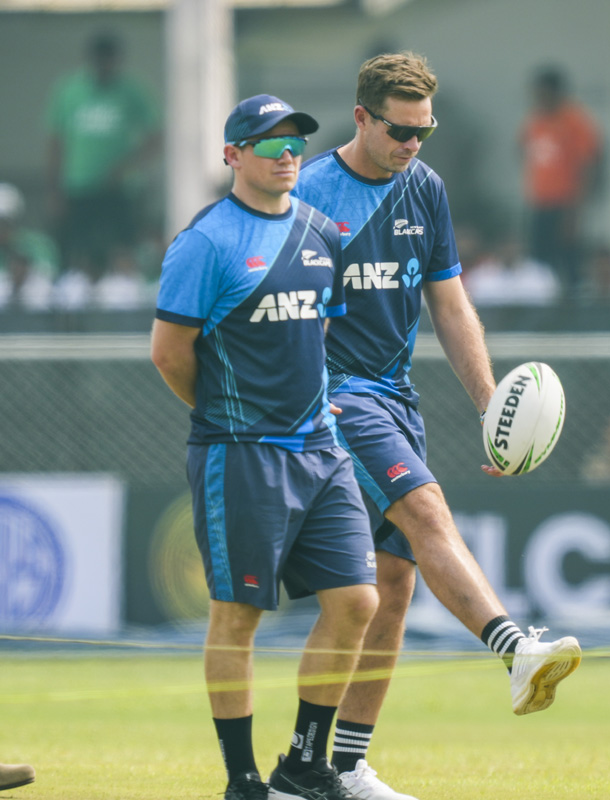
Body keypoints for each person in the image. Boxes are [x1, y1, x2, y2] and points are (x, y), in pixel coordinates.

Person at [293, 52, 582, 800]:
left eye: (424, 131)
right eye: (400, 131)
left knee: (391, 588)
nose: (413, 144)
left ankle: (339, 767)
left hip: (397, 396)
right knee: (426, 510)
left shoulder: (426, 189)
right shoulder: (313, 194)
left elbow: (450, 306)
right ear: (362, 117)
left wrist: (491, 405)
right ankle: (516, 649)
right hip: (335, 396)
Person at [151, 94, 379, 800]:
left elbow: (323, 333)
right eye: (270, 143)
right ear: (232, 157)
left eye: (295, 143)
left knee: (357, 603)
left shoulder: (319, 230)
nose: (287, 155)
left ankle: (305, 765)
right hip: (241, 454)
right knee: (240, 616)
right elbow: (169, 354)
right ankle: (243, 780)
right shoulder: (205, 243)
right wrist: (227, 415)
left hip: (320, 449)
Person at [45, 31, 159, 284]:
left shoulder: (131, 91)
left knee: (123, 246)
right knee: (76, 249)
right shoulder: (70, 90)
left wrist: (128, 166)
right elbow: (56, 141)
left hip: (119, 188)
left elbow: (155, 136)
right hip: (78, 186)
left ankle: (125, 294)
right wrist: (54, 188)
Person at [519, 65, 602, 300]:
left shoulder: (575, 121)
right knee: (539, 263)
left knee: (568, 259)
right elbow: (525, 152)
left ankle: (572, 309)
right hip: (540, 202)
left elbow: (588, 165)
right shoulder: (535, 121)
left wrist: (577, 209)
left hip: (566, 204)